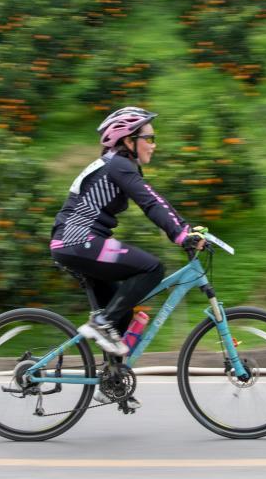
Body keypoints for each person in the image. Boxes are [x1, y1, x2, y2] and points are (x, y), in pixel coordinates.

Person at [49, 106, 205, 409]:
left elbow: (154, 201)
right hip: (78, 240)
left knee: (122, 317)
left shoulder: (116, 165)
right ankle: (100, 323)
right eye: (150, 137)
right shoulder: (119, 165)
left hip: (78, 242)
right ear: (129, 139)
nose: (154, 144)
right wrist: (182, 234)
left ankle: (112, 383)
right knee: (151, 267)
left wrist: (185, 229)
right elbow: (151, 202)